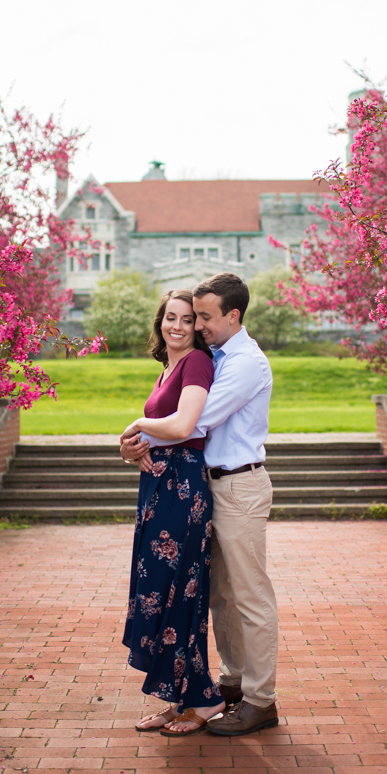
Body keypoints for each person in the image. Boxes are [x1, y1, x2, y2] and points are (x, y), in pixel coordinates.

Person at [122, 272, 279, 737]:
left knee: (251, 597)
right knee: (219, 596)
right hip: (211, 487)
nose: (198, 326)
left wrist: (134, 432)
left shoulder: (245, 362)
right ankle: (231, 685)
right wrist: (137, 444)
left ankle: (261, 700)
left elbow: (195, 422)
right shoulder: (218, 356)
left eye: (205, 317)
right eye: (192, 317)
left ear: (233, 315)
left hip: (239, 487)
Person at [120, 289, 225, 736]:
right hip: (160, 488)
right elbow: (162, 431)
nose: (177, 326)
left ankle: (203, 700)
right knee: (161, 595)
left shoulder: (197, 363)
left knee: (179, 595)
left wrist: (139, 425)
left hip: (183, 491)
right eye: (170, 318)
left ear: (196, 326)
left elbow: (184, 426)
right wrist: (131, 448)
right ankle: (174, 699)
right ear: (159, 321)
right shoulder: (168, 367)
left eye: (186, 319)